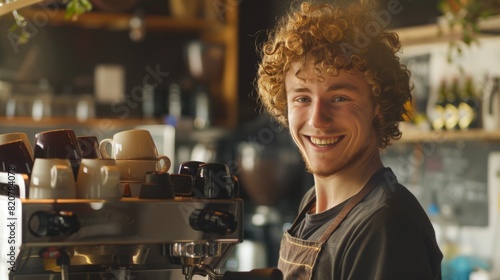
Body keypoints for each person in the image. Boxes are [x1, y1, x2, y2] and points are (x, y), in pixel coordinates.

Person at [255, 1, 443, 279]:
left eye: (339, 98)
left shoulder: (384, 224)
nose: (317, 120)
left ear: (377, 104)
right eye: (302, 98)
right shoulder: (312, 203)